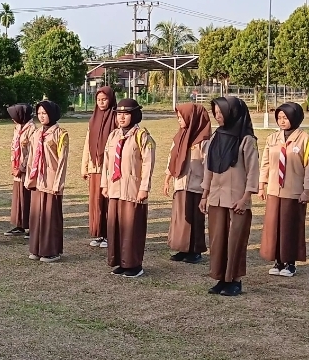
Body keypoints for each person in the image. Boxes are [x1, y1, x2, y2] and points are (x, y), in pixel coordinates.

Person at [200, 96, 259, 297]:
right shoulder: (217, 137)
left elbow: (253, 172)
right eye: (215, 113)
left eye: (221, 112)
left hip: (237, 200)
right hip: (216, 198)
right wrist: (204, 194)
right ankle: (220, 278)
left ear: (232, 112)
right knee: (217, 240)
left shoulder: (247, 139)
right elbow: (209, 167)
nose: (217, 116)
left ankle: (235, 280)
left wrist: (245, 198)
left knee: (235, 240)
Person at [259, 102, 309, 277]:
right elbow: (266, 163)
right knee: (274, 226)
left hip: (294, 191)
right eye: (279, 118)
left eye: (286, 117)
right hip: (275, 190)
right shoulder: (272, 138)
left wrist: (307, 190)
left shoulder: (307, 139)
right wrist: (262, 185)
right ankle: (278, 261)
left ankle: (290, 263)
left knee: (290, 226)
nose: (282, 121)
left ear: (295, 117)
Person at [101, 98, 155, 278]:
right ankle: (120, 261)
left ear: (134, 115)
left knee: (132, 227)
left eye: (126, 114)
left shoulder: (142, 136)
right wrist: (105, 184)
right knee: (116, 226)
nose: (121, 118)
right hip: (115, 188)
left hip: (133, 188)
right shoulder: (113, 135)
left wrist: (144, 188)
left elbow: (148, 163)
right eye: (119, 114)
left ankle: (134, 264)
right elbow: (106, 163)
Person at [164, 103, 211, 264]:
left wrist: (207, 188)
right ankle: (182, 248)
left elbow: (208, 164)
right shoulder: (180, 136)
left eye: (181, 117)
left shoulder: (204, 140)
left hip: (197, 186)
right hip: (181, 183)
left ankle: (195, 250)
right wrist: (167, 178)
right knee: (181, 218)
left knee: (195, 219)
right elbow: (172, 157)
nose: (179, 120)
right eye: (177, 117)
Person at [26, 100, 69, 263]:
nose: (42, 116)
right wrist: (30, 177)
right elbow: (31, 156)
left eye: (45, 113)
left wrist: (58, 184)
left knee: (50, 216)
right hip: (37, 180)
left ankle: (51, 250)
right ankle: (36, 248)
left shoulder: (61, 133)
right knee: (37, 215)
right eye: (39, 113)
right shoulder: (36, 133)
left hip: (51, 181)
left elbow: (62, 161)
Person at [82, 86, 118, 249]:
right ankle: (99, 233)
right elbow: (87, 143)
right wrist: (84, 166)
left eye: (104, 99)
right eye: (98, 100)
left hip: (109, 169)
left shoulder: (117, 118)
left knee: (108, 202)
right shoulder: (93, 119)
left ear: (110, 99)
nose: (102, 102)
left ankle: (110, 234)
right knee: (96, 202)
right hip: (94, 168)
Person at [5, 103, 36, 237]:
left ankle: (30, 226)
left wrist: (22, 167)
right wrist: (13, 165)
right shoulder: (17, 128)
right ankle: (20, 225)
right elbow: (13, 147)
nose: (12, 119)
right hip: (17, 168)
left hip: (27, 169)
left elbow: (31, 152)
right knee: (18, 197)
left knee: (27, 197)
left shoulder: (32, 129)